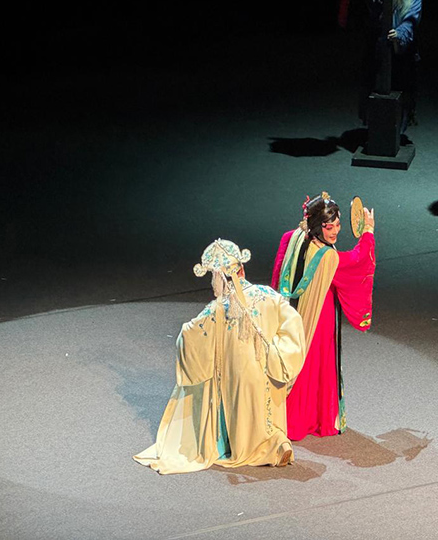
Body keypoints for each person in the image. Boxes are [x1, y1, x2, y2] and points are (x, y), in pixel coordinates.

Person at [133, 239, 306, 474]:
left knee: (243, 419)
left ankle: (264, 449)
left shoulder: (217, 309)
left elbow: (191, 335)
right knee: (266, 414)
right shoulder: (268, 295)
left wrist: (184, 334)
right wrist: (277, 353)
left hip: (237, 375)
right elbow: (293, 322)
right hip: (266, 369)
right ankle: (276, 442)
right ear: (241, 269)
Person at [271, 193, 376, 440]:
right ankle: (308, 419)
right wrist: (368, 232)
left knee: (298, 359)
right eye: (330, 227)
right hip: (320, 313)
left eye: (338, 225)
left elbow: (278, 272)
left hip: (293, 311)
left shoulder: (292, 237)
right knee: (314, 362)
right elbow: (358, 261)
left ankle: (283, 415)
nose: (335, 231)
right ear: (318, 226)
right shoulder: (327, 257)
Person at [360, 0, 423, 132]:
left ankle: (397, 130)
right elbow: (373, 6)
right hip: (379, 43)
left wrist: (400, 33)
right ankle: (375, 129)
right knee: (375, 85)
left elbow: (412, 18)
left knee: (402, 87)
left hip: (403, 46)